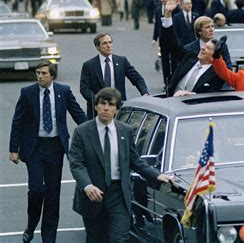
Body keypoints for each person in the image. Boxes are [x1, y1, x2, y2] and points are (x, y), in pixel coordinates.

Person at [69, 87, 173, 242]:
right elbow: (77, 163)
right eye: (102, 104)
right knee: (96, 239)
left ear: (117, 109)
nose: (105, 108)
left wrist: (157, 175)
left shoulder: (125, 131)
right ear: (96, 106)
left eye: (110, 105)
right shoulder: (82, 132)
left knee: (119, 239)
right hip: (93, 195)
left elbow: (135, 161)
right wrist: (88, 186)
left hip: (118, 194)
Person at [9, 61, 87, 243]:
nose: (40, 77)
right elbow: (17, 121)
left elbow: (78, 115)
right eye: (37, 73)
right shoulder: (27, 93)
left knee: (53, 195)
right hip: (34, 148)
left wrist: (94, 132)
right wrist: (14, 149)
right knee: (36, 190)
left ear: (52, 76)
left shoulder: (63, 91)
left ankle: (48, 238)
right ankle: (31, 225)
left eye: (44, 73)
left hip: (55, 148)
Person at [160, 0, 225, 96]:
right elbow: (173, 42)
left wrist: (191, 95)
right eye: (204, 46)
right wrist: (168, 13)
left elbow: (212, 96)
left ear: (214, 55)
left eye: (207, 48)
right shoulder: (189, 57)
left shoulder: (216, 74)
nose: (202, 48)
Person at [80, 33, 149, 119]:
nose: (108, 46)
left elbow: (137, 79)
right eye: (104, 43)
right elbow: (84, 88)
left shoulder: (121, 61)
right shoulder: (89, 65)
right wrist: (98, 101)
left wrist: (145, 94)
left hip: (119, 109)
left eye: (110, 42)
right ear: (97, 47)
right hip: (98, 111)